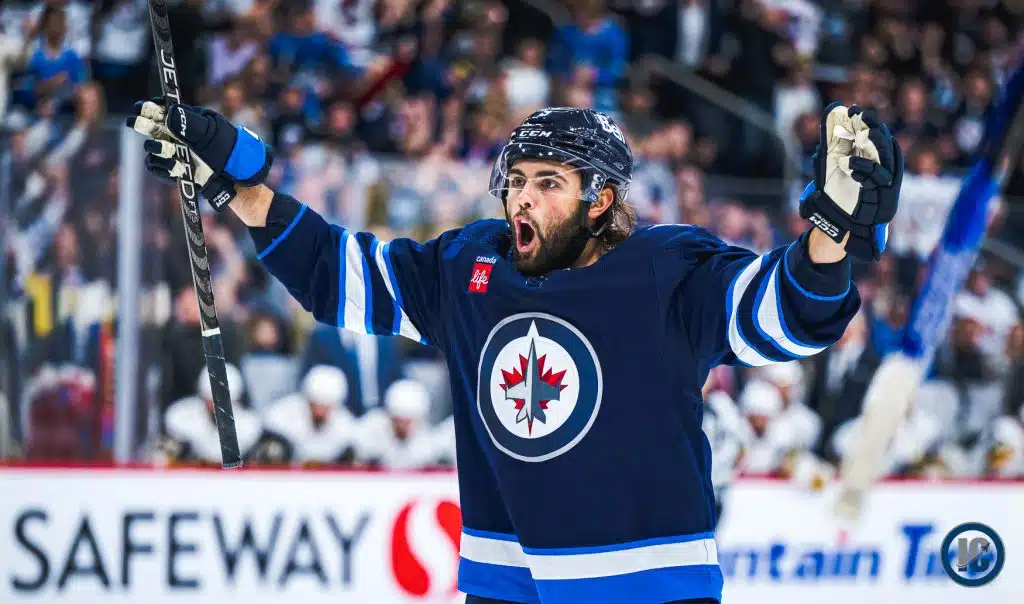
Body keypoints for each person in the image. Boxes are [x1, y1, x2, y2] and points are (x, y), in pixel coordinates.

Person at [127, 99, 902, 603]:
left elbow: (785, 312)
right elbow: (338, 274)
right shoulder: (470, 268)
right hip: (503, 584)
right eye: (518, 180)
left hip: (648, 586)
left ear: (601, 200)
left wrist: (832, 232)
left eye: (549, 183)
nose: (523, 198)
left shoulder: (666, 271)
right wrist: (236, 185)